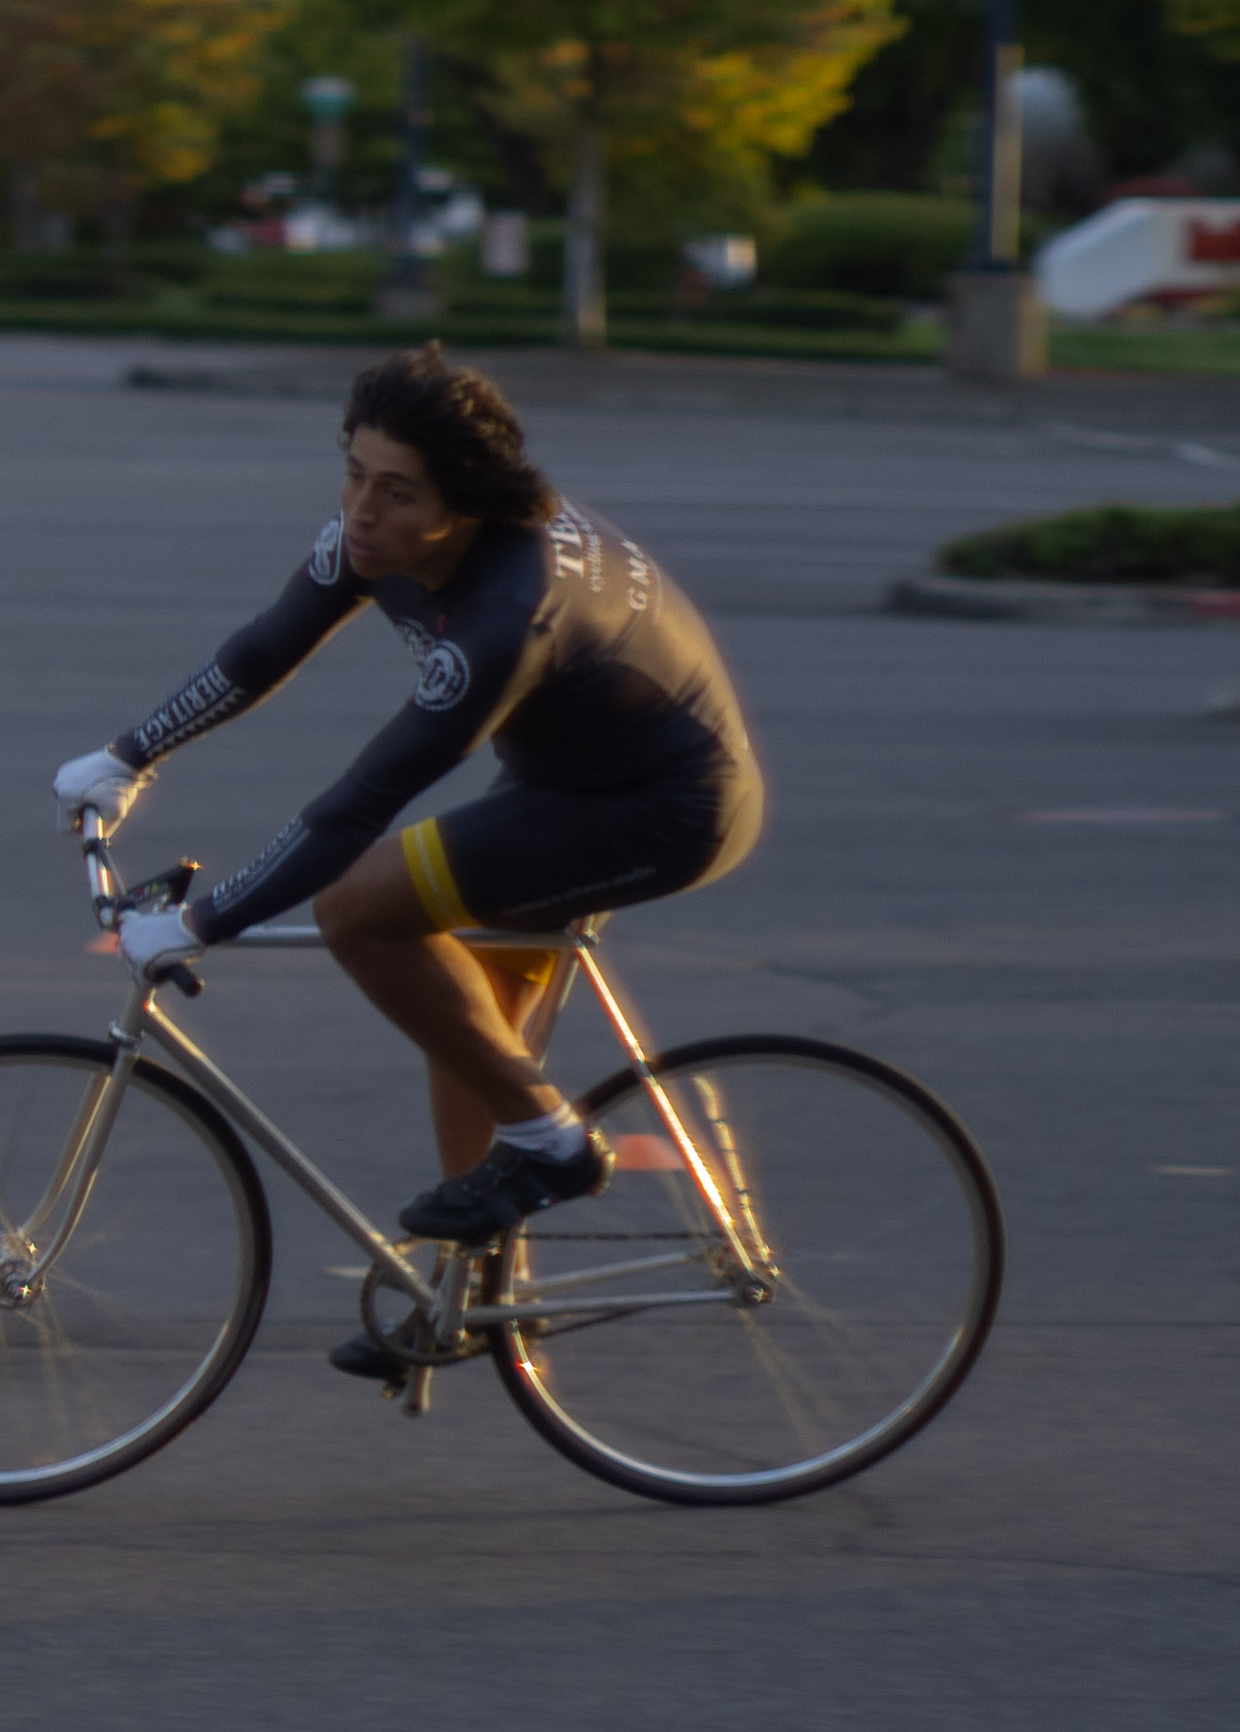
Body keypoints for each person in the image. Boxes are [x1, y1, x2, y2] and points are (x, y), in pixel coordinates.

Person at [56, 347, 760, 1323]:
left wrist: (202, 921)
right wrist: (128, 755)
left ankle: (557, 1145)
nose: (361, 510)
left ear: (463, 504)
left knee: (359, 908)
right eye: (353, 473)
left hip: (665, 809)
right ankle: (472, 1303)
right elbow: (265, 647)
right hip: (567, 781)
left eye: (395, 491)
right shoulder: (380, 540)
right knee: (463, 1017)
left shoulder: (507, 617)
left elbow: (358, 805)